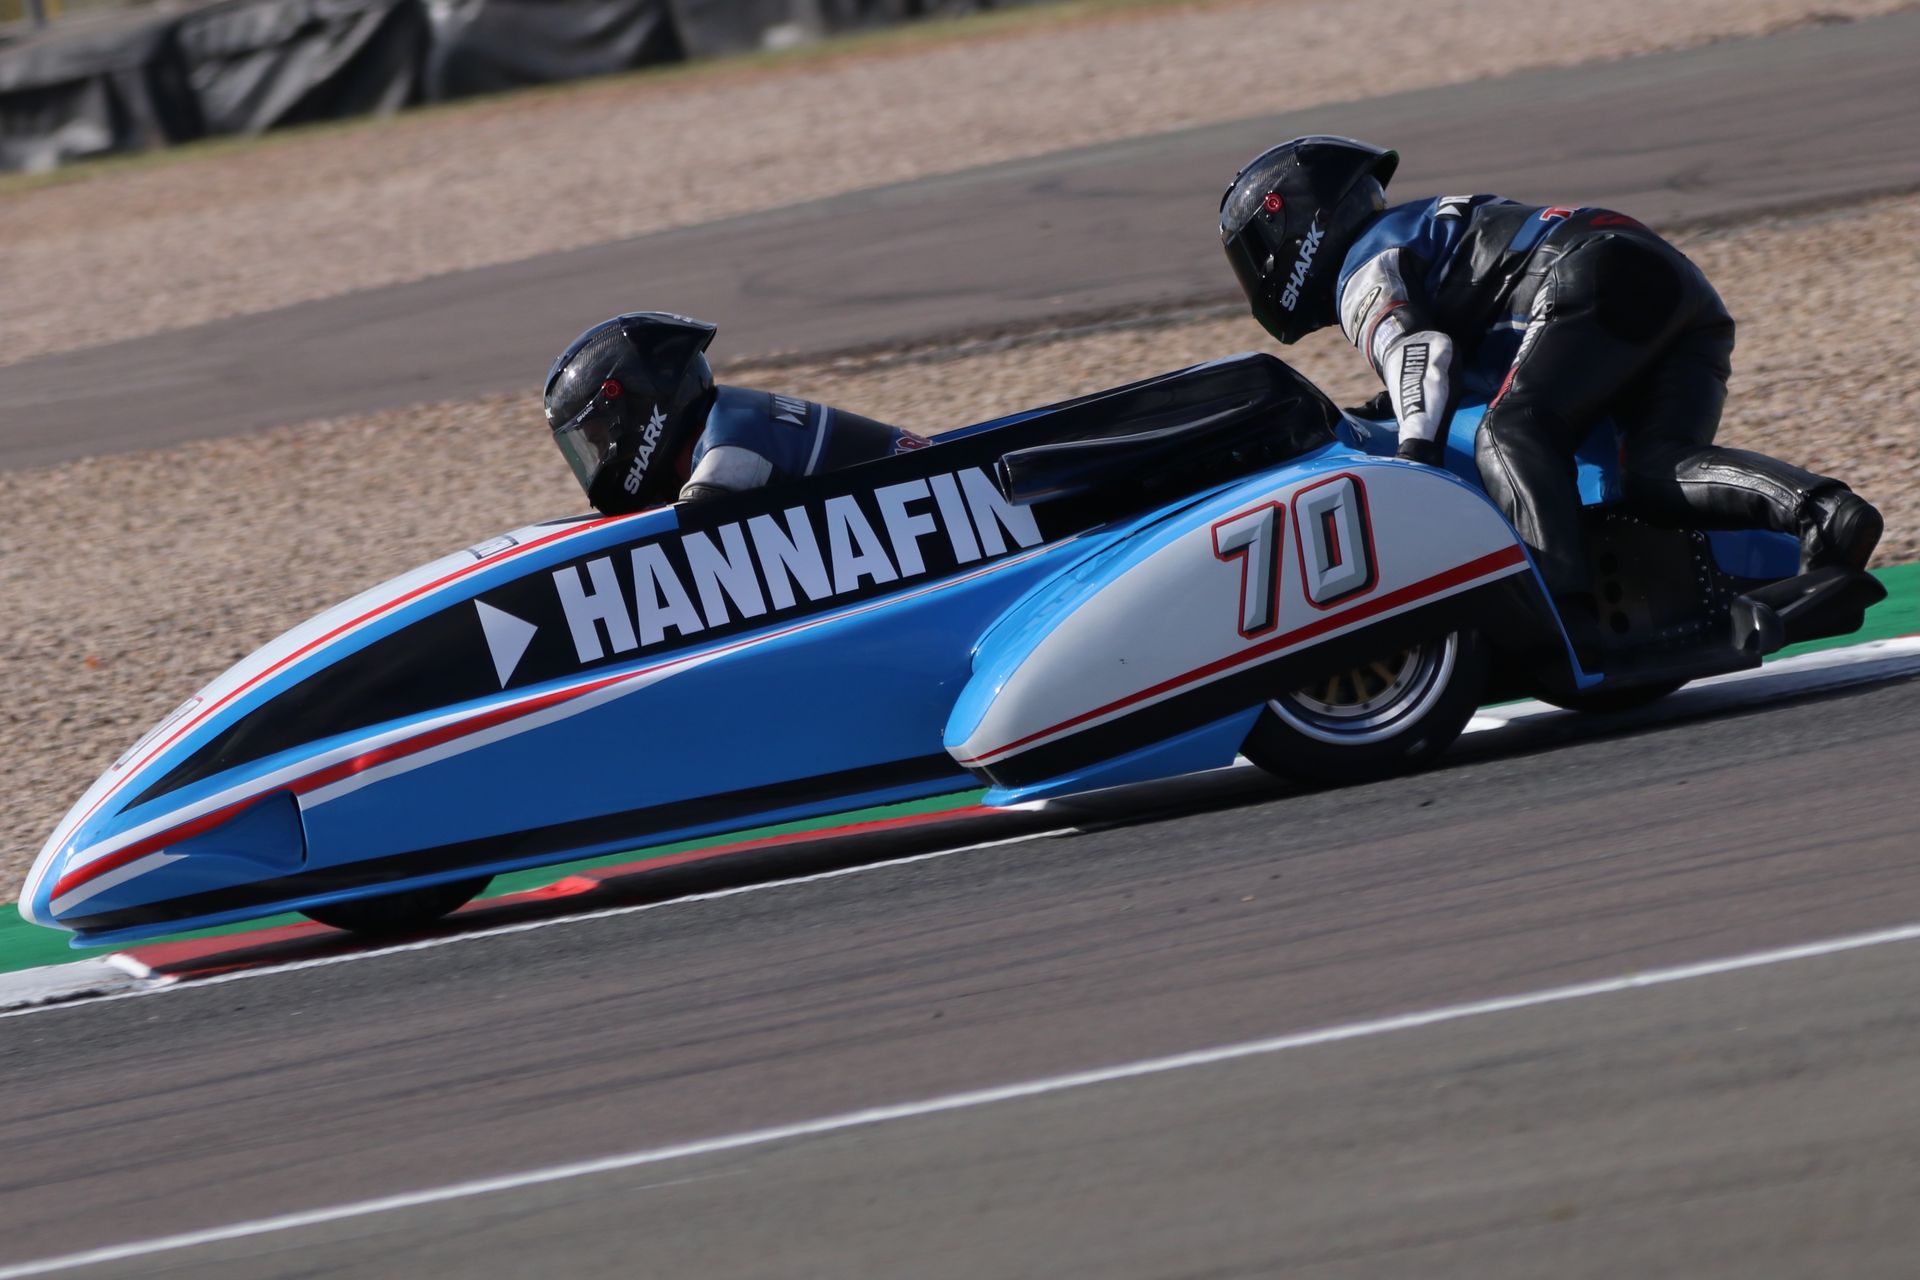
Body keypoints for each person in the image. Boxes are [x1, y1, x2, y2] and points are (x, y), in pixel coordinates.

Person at [1217, 135, 1882, 625]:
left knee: (1511, 432)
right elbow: (1465, 359)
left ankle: (1563, 608)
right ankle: (1826, 515)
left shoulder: (1361, 268)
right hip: (1670, 286)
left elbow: (1418, 352)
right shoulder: (1415, 229)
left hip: (1589, 275)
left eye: (1256, 251)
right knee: (1652, 469)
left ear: (1295, 224)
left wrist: (1413, 463)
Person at [544, 311, 927, 513]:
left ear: (640, 412)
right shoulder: (725, 415)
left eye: (599, 440)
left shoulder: (727, 453)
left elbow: (686, 548)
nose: (600, 458)